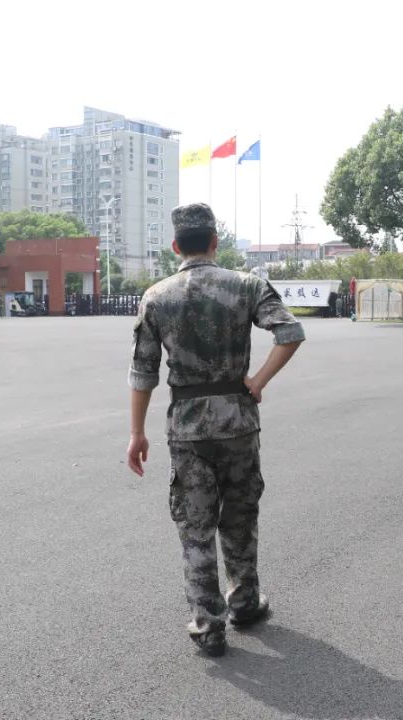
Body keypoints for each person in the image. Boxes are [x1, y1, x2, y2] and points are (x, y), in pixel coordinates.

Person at [126, 202, 305, 657]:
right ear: (214, 241)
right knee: (240, 516)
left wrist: (137, 433)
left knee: (196, 527)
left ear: (174, 246)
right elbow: (289, 334)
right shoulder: (246, 285)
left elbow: (143, 371)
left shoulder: (156, 296)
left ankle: (208, 625)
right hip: (238, 421)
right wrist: (257, 381)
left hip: (187, 429)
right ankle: (244, 602)